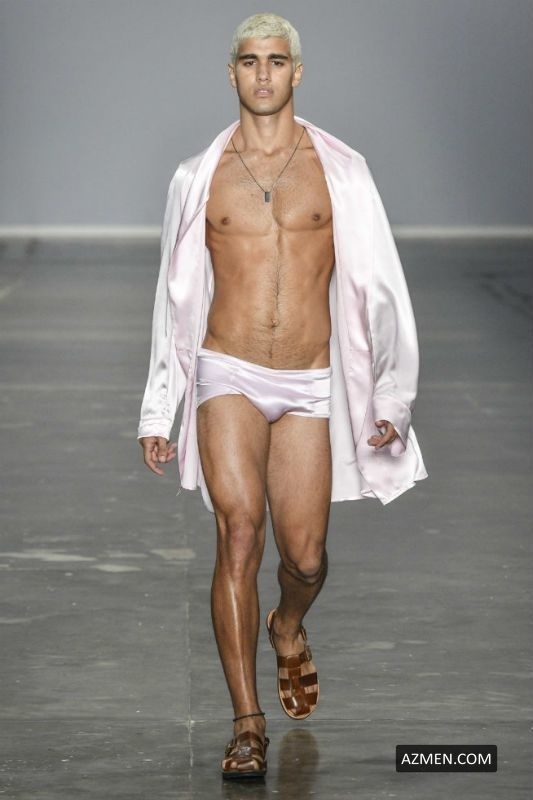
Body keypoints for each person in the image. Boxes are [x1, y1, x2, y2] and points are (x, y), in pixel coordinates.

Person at [138, 12, 427, 780]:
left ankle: (288, 625)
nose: (262, 73)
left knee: (304, 557)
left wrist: (390, 396)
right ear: (230, 72)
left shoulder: (341, 173)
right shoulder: (197, 178)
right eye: (248, 60)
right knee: (239, 532)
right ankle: (246, 723)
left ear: (296, 73)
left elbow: (379, 287)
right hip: (225, 370)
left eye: (275, 61)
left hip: (309, 382)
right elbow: (173, 298)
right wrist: (159, 406)